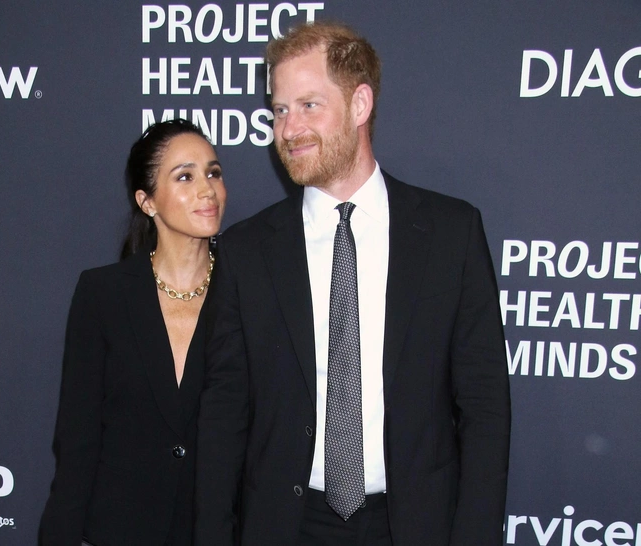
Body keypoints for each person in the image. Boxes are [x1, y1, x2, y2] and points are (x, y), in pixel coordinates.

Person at [194, 22, 510, 546]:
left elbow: (485, 406)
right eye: (279, 110)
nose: (288, 129)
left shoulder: (451, 234)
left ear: (360, 104)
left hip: (415, 526)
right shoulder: (247, 250)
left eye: (309, 105)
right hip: (286, 526)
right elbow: (224, 414)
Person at [40, 119, 226, 546]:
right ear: (147, 201)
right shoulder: (102, 294)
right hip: (119, 530)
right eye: (185, 177)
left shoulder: (248, 291)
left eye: (213, 172)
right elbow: (78, 441)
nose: (207, 190)